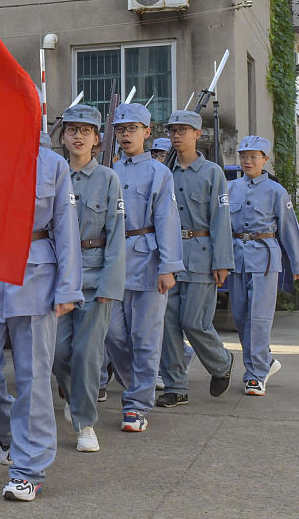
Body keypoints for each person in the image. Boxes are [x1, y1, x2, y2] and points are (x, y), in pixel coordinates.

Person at [0, 131, 83, 502]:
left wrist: (69, 287)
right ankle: (9, 433)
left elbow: (66, 229)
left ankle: (29, 470)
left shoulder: (53, 164)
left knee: (34, 377)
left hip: (36, 273)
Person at [104, 103, 184, 433]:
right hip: (112, 261)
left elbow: (166, 220)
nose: (125, 134)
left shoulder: (159, 173)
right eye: (120, 129)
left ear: (147, 132)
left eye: (132, 128)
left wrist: (169, 266)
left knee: (145, 338)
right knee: (113, 335)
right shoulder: (106, 170)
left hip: (148, 260)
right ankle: (138, 385)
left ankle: (137, 405)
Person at [51, 104, 125, 452]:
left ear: (97, 139)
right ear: (63, 136)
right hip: (58, 278)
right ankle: (75, 396)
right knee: (57, 352)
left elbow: (116, 234)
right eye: (72, 130)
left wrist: (112, 284)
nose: (78, 136)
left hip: (96, 278)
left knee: (88, 353)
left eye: (86, 131)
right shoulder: (53, 173)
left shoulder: (108, 179)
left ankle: (85, 423)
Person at [157, 110, 235, 408]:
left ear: (197, 134)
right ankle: (176, 386)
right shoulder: (165, 171)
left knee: (194, 322)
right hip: (171, 257)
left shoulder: (212, 172)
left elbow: (221, 218)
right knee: (168, 323)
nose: (177, 135)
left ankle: (221, 362)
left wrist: (222, 261)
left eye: (183, 130)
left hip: (202, 255)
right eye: (173, 130)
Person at [227, 136, 299, 396]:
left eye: (253, 156)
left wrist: (296, 263)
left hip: (265, 260)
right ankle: (266, 361)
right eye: (243, 156)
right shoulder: (230, 188)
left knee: (259, 319)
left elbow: (288, 227)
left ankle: (256, 373)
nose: (247, 161)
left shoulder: (276, 191)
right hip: (237, 258)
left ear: (265, 159)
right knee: (240, 317)